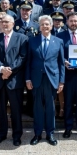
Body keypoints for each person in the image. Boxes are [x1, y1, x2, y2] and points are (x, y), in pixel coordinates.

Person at [0, 15, 28, 146]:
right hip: (0, 80)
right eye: (1, 21)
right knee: (1, 110)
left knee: (16, 109)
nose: (4, 24)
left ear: (12, 23)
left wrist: (9, 70)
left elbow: (22, 57)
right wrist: (1, 69)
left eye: (6, 22)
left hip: (14, 80)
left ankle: (17, 135)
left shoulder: (22, 38)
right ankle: (2, 133)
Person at [26, 15, 65, 146]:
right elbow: (28, 62)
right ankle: (37, 133)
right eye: (42, 24)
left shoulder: (58, 41)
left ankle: (50, 133)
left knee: (50, 108)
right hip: (36, 79)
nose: (45, 26)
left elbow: (61, 63)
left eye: (47, 24)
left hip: (51, 79)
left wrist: (61, 81)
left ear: (52, 26)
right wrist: (27, 79)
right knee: (37, 108)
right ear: (39, 26)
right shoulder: (32, 41)